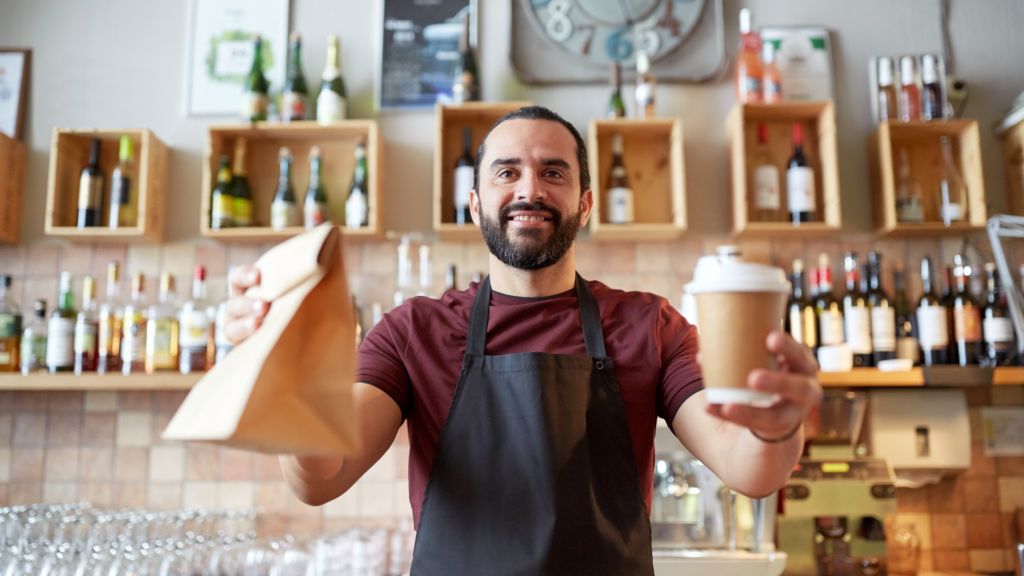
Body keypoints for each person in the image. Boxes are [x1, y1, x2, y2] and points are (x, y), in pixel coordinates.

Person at [225, 106, 821, 574]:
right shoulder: (414, 330)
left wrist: (777, 425)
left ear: (584, 204)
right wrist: (283, 379)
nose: (529, 189)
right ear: (475, 201)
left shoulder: (649, 325)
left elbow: (749, 468)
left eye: (553, 172)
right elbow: (320, 479)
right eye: (506, 171)